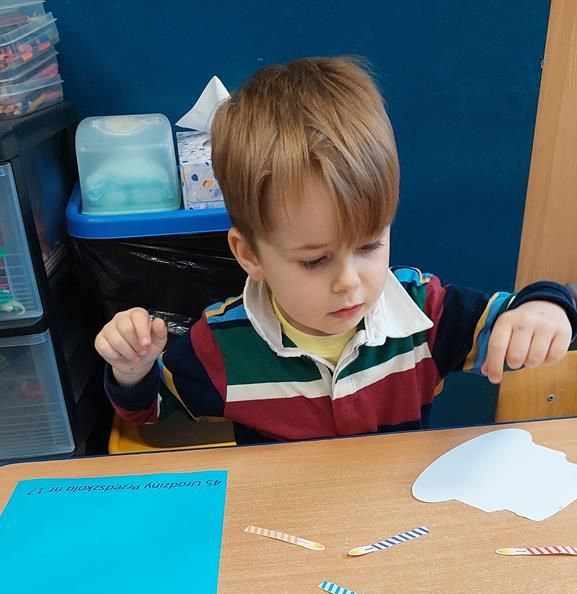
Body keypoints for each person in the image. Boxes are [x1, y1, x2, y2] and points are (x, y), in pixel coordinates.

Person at [95, 57, 577, 444]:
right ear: (250, 255)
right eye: (314, 260)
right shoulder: (221, 343)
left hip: (398, 516)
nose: (349, 282)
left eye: (369, 245)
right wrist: (132, 370)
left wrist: (546, 308)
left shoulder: (424, 309)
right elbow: (151, 412)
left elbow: (520, 322)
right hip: (285, 522)